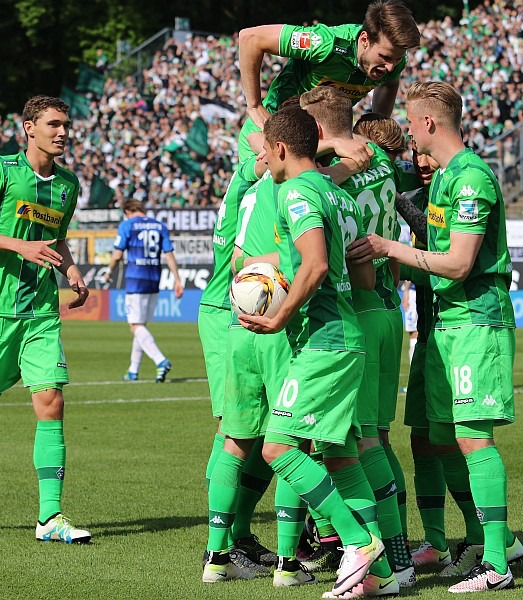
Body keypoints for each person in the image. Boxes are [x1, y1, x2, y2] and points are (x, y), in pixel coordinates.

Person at [348, 82, 520, 592]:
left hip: (476, 321)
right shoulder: (444, 181)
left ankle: (497, 561)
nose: (409, 135)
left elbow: (460, 264)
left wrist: (390, 249)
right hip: (444, 323)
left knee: (471, 437)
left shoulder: (471, 180)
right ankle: (481, 542)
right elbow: (438, 266)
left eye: (411, 121)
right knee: (440, 437)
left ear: (428, 124)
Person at [236, 105, 387, 598]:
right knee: (341, 456)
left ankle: (357, 541)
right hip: (346, 336)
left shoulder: (297, 190)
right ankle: (379, 576)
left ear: (279, 148)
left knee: (278, 446)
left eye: (264, 150)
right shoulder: (333, 191)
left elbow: (316, 264)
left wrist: (278, 314)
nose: (262, 158)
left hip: (324, 341)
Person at [0, 95, 91, 544]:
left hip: (41, 310)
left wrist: (70, 270)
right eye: (53, 124)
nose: (63, 131)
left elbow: (57, 239)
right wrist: (20, 245)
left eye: (66, 124)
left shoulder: (68, 184)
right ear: (29, 128)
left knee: (51, 402)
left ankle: (50, 517)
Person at [302, 89, 415, 590]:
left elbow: (308, 182)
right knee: (377, 439)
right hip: (390, 310)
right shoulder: (387, 169)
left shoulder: (324, 182)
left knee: (355, 441)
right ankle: (397, 546)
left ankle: (385, 557)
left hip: (358, 311)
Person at [199, 155, 280, 580]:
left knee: (268, 429)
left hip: (242, 304)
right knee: (234, 430)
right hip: (228, 308)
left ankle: (240, 535)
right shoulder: (259, 180)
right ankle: (222, 544)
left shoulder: (253, 181)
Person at [237, 0, 420, 162]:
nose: (390, 67)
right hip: (269, 130)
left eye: (397, 59)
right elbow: (250, 38)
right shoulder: (325, 43)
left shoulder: (394, 61)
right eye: (385, 57)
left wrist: (378, 124)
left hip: (317, 140)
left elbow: (390, 83)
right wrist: (254, 105)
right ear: (364, 39)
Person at [105, 200, 183, 382]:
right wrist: (177, 279)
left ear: (127, 211)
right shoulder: (159, 226)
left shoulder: (127, 225)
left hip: (135, 280)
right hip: (154, 279)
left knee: (135, 326)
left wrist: (108, 271)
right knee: (140, 325)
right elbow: (169, 254)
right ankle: (133, 371)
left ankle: (160, 360)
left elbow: (117, 255)